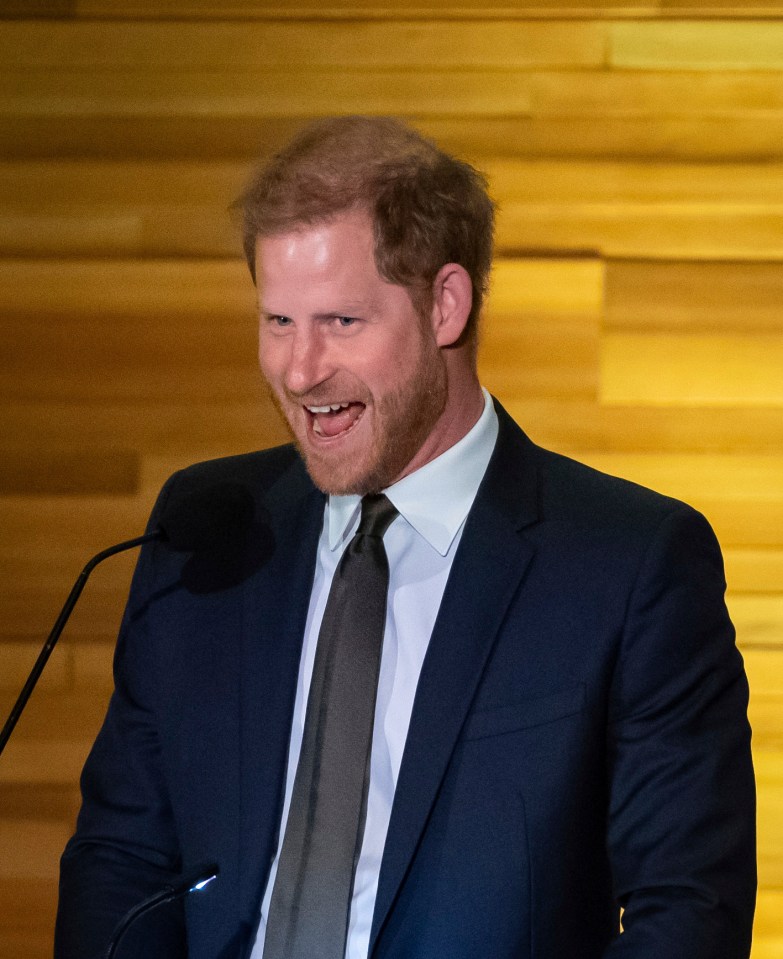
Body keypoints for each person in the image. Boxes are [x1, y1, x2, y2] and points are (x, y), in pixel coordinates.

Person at [55, 116, 756, 959]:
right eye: (278, 320)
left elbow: (685, 910)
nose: (300, 369)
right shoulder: (206, 525)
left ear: (445, 305)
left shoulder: (631, 563)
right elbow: (121, 857)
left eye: (341, 322)